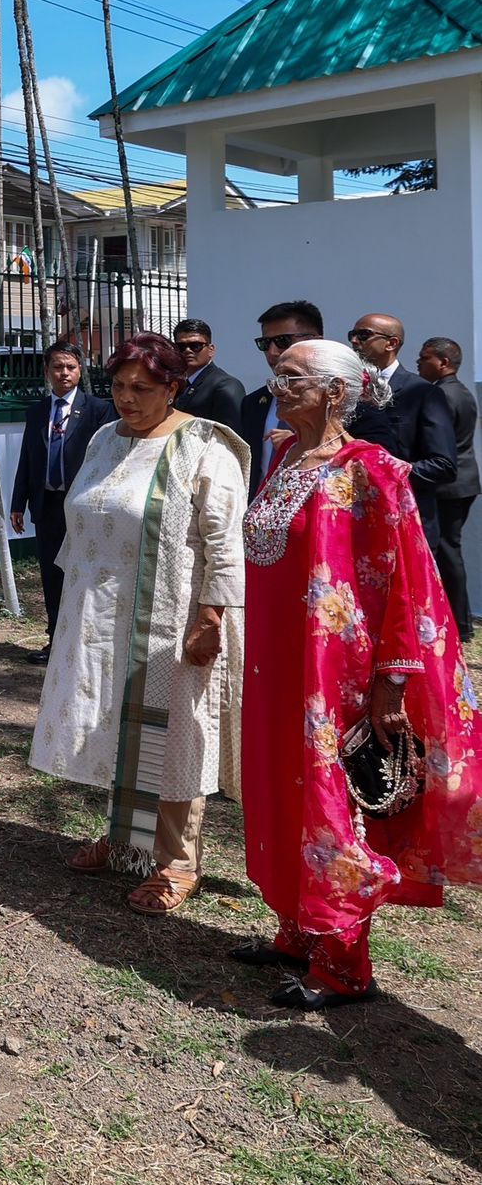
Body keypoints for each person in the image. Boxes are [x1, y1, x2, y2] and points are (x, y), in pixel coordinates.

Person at [238, 341, 482, 1008]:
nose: (278, 388)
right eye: (277, 376)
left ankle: (345, 965)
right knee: (279, 788)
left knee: (328, 802)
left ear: (337, 393)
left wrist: (392, 683)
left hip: (335, 673)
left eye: (294, 379)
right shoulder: (286, 454)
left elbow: (408, 582)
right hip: (275, 662)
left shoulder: (373, 468)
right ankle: (296, 928)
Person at [32, 333, 248, 914]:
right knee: (115, 721)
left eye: (143, 389)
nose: (127, 398)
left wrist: (211, 615)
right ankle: (127, 839)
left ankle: (177, 861)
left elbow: (225, 543)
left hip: (172, 616)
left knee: (173, 732)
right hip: (102, 611)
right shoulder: (105, 437)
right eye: (120, 386)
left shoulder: (204, 447)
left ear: (175, 388)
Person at [8, 342, 115, 666]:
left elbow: (106, 458)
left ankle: (86, 643)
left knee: (84, 573)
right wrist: (18, 502)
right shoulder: (37, 411)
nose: (64, 373)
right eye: (58, 367)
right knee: (52, 575)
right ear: (47, 371)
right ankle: (56, 641)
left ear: (80, 370)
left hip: (83, 507)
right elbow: (27, 457)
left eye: (70, 367)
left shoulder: (98, 409)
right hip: (48, 506)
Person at [348, 313, 455, 548]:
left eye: (363, 335)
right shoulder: (347, 391)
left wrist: (383, 473)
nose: (354, 341)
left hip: (407, 524)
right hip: (356, 524)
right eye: (352, 335)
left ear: (391, 343)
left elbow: (443, 466)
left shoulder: (422, 393)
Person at [417, 335, 479, 639]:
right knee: (449, 551)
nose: (419, 361)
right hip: (462, 483)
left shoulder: (441, 395)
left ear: (444, 363)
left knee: (447, 552)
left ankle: (459, 623)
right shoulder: (461, 392)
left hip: (449, 486)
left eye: (425, 357)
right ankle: (461, 621)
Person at [241, 301, 325, 494]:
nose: (272, 352)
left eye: (282, 341)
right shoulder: (253, 403)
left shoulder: (343, 397)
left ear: (316, 341)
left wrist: (302, 443)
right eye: (265, 343)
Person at [172, 318, 244, 431]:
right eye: (181, 347)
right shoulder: (175, 384)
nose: (187, 350)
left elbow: (231, 436)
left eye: (195, 346)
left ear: (211, 350)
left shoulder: (226, 386)